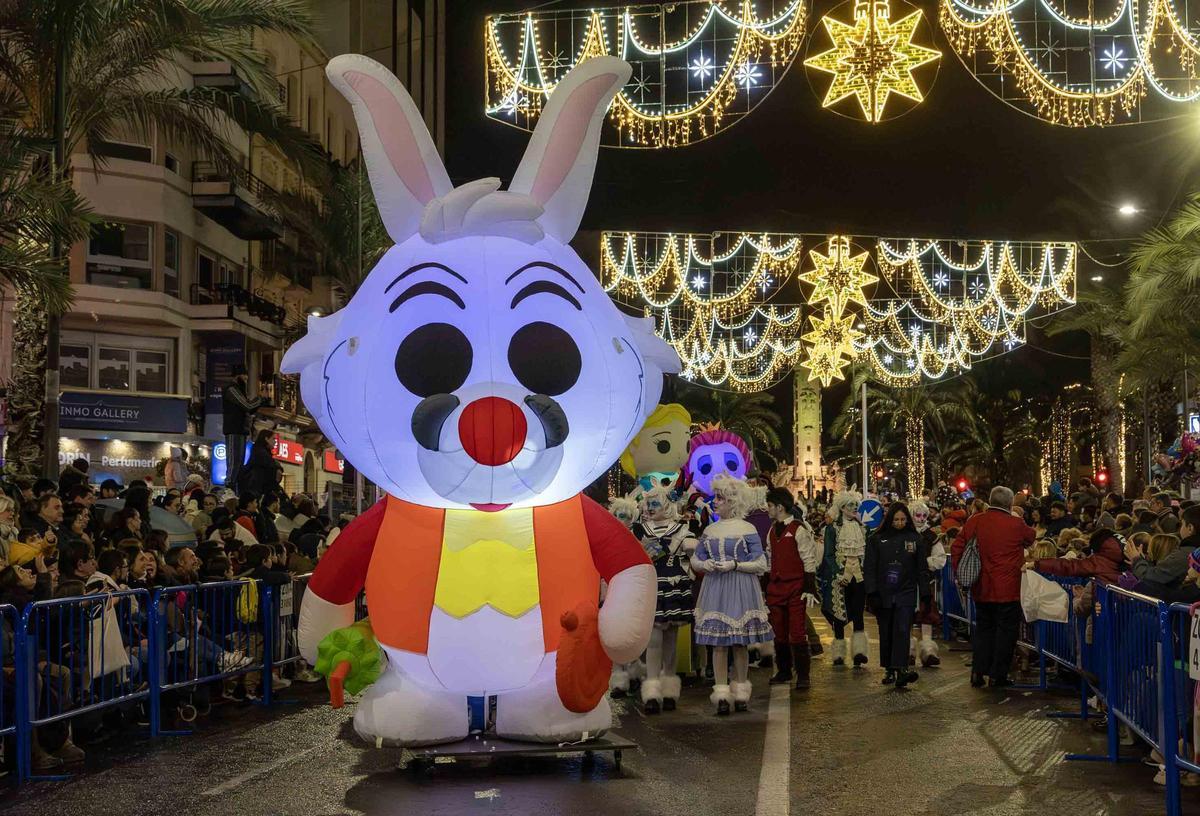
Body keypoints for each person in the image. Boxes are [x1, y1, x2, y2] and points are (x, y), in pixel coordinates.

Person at [691, 475, 772, 715]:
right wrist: (704, 565)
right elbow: (696, 559)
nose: (715, 502)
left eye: (720, 498)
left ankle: (740, 689)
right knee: (719, 644)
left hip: (740, 586)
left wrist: (735, 565)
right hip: (716, 587)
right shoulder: (710, 530)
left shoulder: (747, 529)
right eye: (716, 497)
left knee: (739, 643)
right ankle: (722, 693)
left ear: (732, 501)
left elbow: (761, 563)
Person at [951, 486, 1035, 689]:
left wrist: (960, 574)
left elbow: (957, 547)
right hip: (1009, 588)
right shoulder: (1016, 524)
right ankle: (998, 675)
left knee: (983, 630)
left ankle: (978, 671)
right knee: (1006, 634)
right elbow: (1031, 537)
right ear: (1009, 504)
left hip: (982, 586)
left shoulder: (975, 521)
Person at [631, 486, 695, 714]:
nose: (650, 508)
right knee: (654, 639)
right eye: (648, 504)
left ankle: (668, 687)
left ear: (667, 506)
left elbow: (692, 556)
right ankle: (652, 690)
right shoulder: (639, 530)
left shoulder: (682, 530)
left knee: (671, 639)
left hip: (673, 586)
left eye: (655, 503)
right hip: (650, 586)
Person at [865, 503, 929, 688]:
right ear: (890, 520)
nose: (900, 523)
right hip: (883, 592)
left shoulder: (915, 539)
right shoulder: (876, 539)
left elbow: (922, 568)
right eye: (896, 520)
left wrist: (925, 593)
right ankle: (889, 668)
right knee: (886, 631)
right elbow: (870, 567)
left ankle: (901, 668)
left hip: (906, 591)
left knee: (902, 629)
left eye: (903, 519)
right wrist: (872, 592)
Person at [764, 486, 820, 690]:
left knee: (796, 632)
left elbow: (808, 559)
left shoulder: (799, 529)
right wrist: (765, 587)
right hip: (776, 589)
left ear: (780, 507)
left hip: (796, 589)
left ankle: (803, 675)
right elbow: (769, 560)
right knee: (779, 632)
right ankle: (784, 670)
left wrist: (809, 588)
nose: (768, 509)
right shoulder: (772, 531)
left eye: (770, 505)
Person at [820, 490, 870, 668]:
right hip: (840, 577)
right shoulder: (832, 529)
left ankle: (859, 653)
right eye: (851, 505)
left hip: (859, 577)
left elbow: (866, 552)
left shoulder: (863, 528)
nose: (854, 508)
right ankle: (839, 653)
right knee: (838, 615)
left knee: (858, 614)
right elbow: (829, 555)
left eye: (856, 505)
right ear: (842, 507)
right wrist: (837, 573)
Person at [1126, 505, 1200, 593]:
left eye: (1182, 524)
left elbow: (1154, 577)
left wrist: (1137, 560)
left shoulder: (1187, 553)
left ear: (1190, 528)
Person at [910, 500, 945, 668]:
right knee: (907, 616)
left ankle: (928, 650)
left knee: (927, 615)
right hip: (907, 582)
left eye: (925, 515)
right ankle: (908, 650)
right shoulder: (904, 534)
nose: (922, 518)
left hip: (925, 581)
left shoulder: (931, 536)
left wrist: (924, 563)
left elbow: (941, 558)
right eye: (918, 515)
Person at [1031, 528, 1126, 584]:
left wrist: (1038, 564)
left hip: (1109, 607)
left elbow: (1068, 566)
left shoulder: (1099, 561)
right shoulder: (1129, 554)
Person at [222, 365, 263, 492]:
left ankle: (235, 489)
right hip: (234, 430)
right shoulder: (232, 390)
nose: (246, 379)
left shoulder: (238, 391)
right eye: (244, 376)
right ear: (237, 376)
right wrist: (260, 399)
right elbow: (247, 406)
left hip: (241, 430)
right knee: (234, 462)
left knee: (239, 463)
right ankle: (229, 489)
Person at [238, 428, 276, 499]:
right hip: (256, 487)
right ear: (266, 439)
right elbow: (270, 467)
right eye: (273, 439)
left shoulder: (261, 451)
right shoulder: (261, 453)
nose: (275, 442)